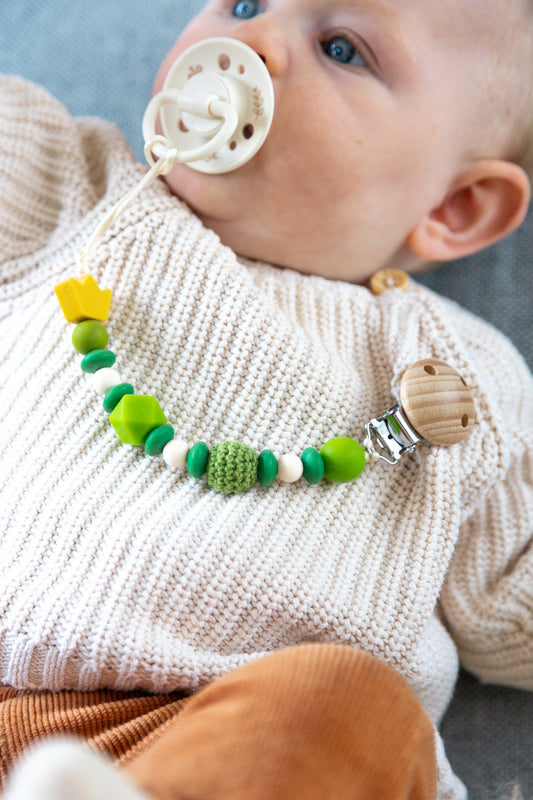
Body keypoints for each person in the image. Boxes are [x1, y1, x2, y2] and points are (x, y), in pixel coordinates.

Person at [0, 0, 532, 798]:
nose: (251, 41)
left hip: (233, 734)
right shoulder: (67, 187)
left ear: (453, 208)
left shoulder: (458, 376)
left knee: (351, 702)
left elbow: (512, 596)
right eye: (245, 2)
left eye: (342, 48)